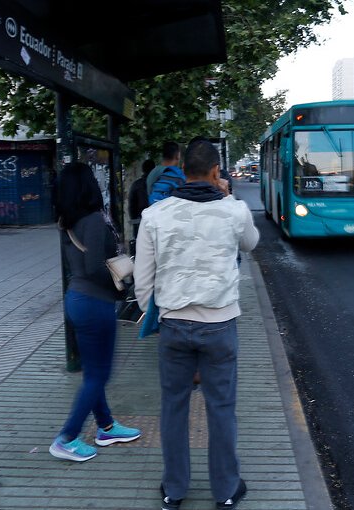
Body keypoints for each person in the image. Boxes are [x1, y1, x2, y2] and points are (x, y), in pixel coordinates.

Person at [134, 139, 259, 509]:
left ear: (182, 170)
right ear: (217, 171)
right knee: (221, 407)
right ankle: (225, 491)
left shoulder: (155, 214)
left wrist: (156, 317)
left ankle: (174, 490)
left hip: (174, 324)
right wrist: (230, 197)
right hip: (220, 325)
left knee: (173, 406)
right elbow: (251, 243)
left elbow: (144, 278)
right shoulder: (233, 211)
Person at [50, 162, 141, 462]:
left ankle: (106, 426)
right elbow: (94, 268)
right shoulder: (91, 220)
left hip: (78, 300)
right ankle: (66, 437)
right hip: (94, 303)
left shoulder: (68, 220)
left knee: (93, 373)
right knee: (98, 375)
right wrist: (120, 287)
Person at [128, 159, 155, 252]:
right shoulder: (157, 184)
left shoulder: (136, 184)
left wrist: (134, 219)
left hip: (139, 220)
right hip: (154, 220)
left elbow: (131, 205)